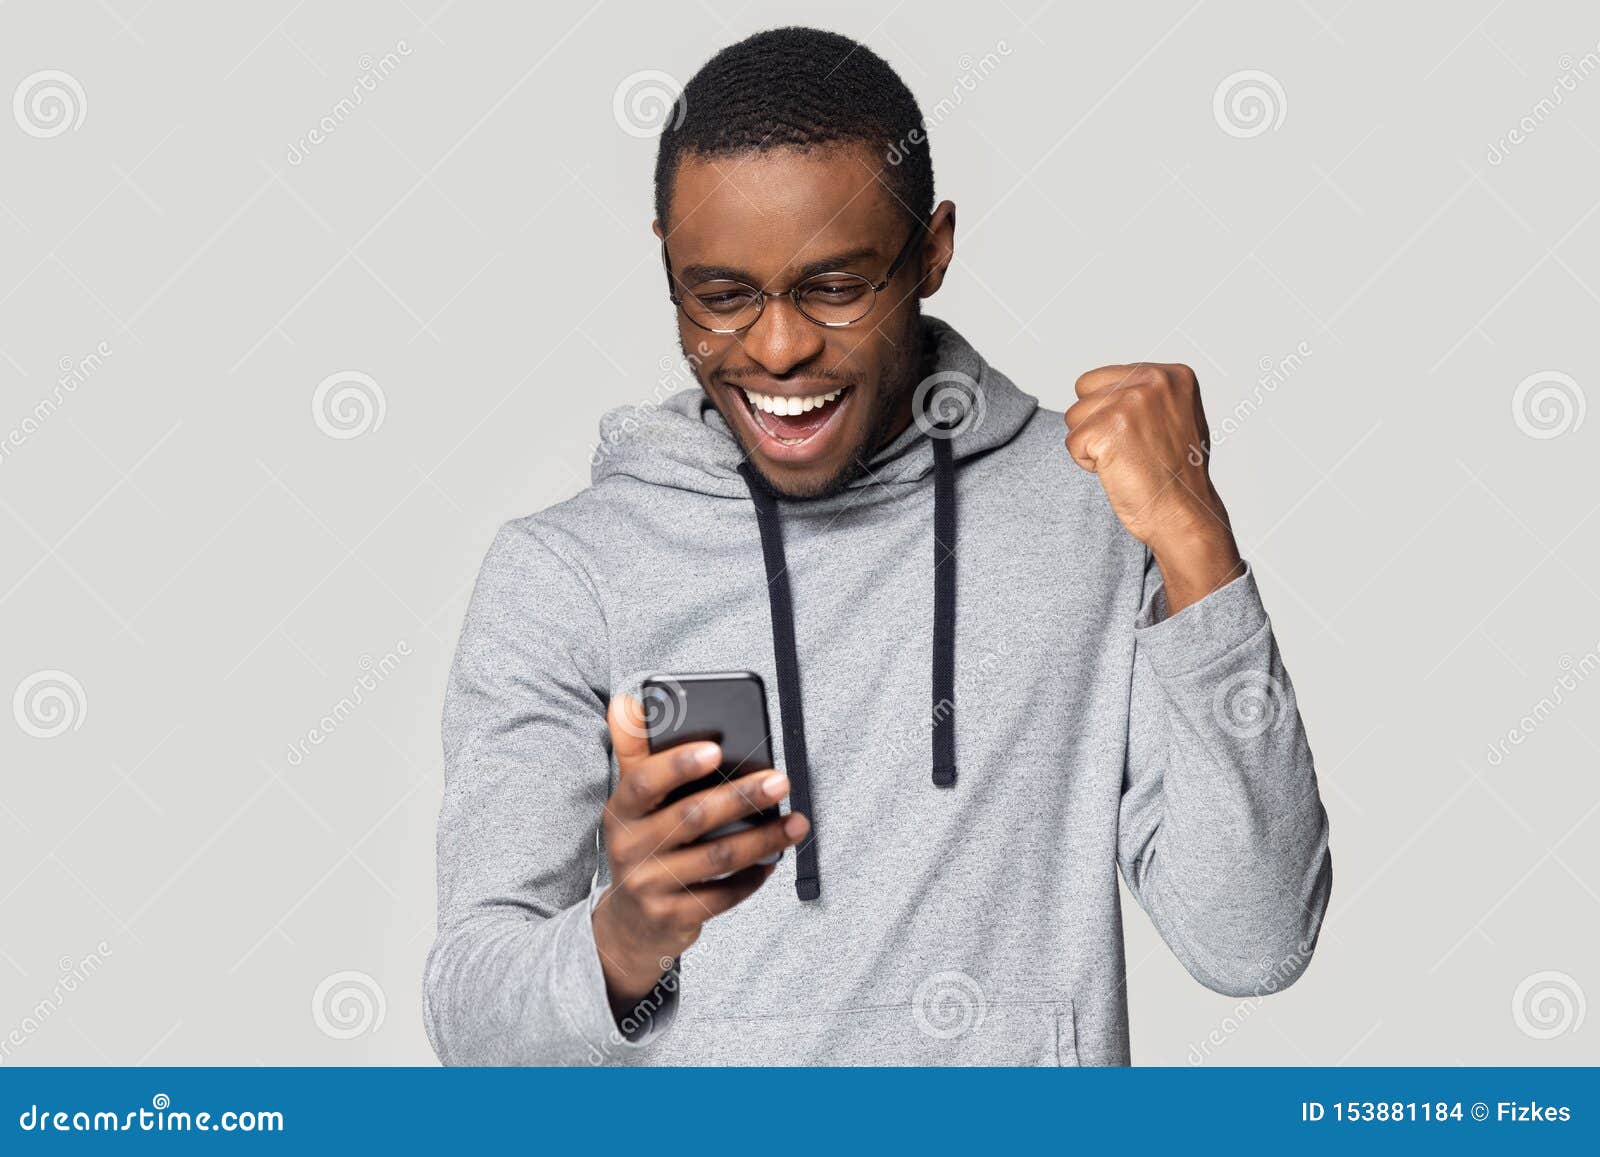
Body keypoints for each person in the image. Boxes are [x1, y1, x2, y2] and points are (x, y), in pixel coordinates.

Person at [425, 25, 1332, 1066]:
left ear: (933, 250)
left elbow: (1254, 942)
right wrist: (628, 933)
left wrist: (1193, 538)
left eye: (835, 287)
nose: (776, 346)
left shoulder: (1096, 510)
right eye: (721, 294)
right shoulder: (569, 572)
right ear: (667, 263)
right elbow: (473, 1024)